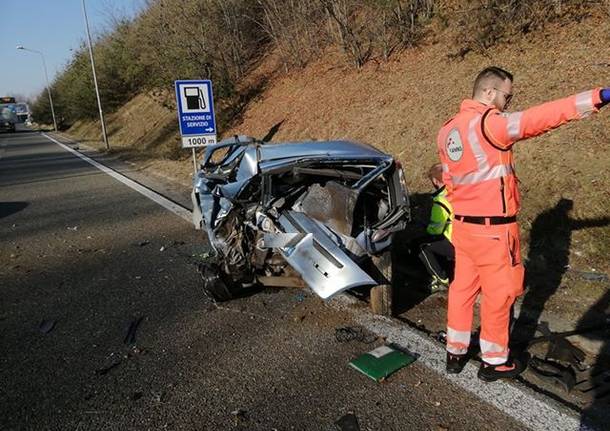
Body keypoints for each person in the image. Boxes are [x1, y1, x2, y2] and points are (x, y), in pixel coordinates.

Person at [436, 66, 609, 382]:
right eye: (507, 95)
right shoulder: (490, 124)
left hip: (463, 227)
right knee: (499, 295)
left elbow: (449, 180)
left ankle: (455, 352)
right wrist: (596, 97)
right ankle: (494, 360)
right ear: (489, 92)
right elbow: (539, 118)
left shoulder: (448, 130)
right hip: (493, 231)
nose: (508, 102)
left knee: (461, 290)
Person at [418, 163, 454, 293]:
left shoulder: (440, 201)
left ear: (435, 181)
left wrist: (424, 227)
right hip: (474, 240)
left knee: (422, 246)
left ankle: (441, 279)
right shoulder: (460, 189)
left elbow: (435, 229)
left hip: (456, 242)